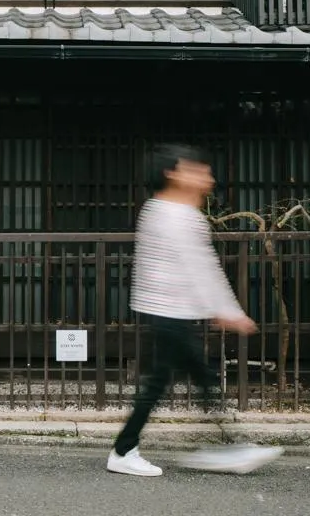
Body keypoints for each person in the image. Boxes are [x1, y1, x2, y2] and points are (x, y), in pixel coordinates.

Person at [106, 143, 285, 478]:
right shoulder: (178, 215)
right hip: (170, 314)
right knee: (167, 384)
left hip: (168, 312)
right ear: (171, 173)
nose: (207, 178)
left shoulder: (159, 210)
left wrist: (219, 308)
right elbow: (201, 268)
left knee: (194, 380)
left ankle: (227, 447)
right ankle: (125, 450)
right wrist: (226, 310)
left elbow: (193, 268)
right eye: (197, 170)